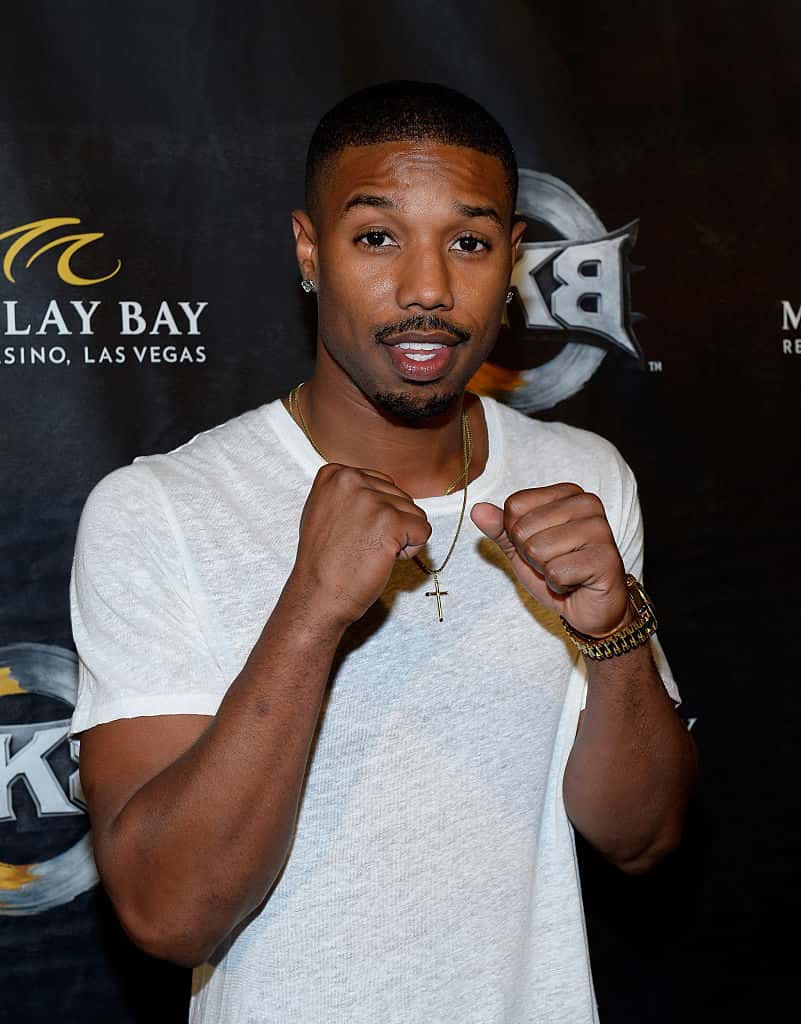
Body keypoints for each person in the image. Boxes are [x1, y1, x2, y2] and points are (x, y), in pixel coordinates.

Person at [70, 80, 697, 1023]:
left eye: (469, 243)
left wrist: (614, 635)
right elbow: (171, 916)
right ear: (309, 252)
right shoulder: (159, 509)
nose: (428, 290)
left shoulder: (582, 477)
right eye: (376, 238)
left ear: (511, 262)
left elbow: (639, 838)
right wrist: (310, 610)